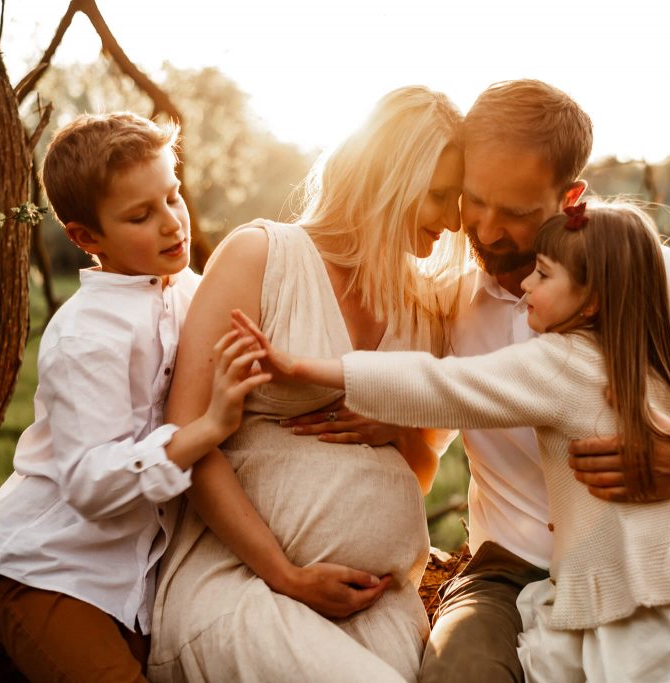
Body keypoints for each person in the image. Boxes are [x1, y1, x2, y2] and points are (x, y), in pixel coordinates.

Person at [291, 79, 670, 682]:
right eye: (474, 202)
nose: (486, 232)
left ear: (571, 197)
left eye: (515, 213)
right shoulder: (448, 299)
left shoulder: (647, 277)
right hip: (506, 571)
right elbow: (428, 394)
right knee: (458, 674)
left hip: (641, 559)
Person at [147, 86, 465, 682]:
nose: (452, 221)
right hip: (245, 583)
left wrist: (397, 431)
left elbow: (420, 473)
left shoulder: (426, 310)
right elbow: (186, 438)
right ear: (389, 177)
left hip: (376, 602)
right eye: (439, 196)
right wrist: (285, 574)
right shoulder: (262, 256)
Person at [0, 112, 271, 682]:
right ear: (87, 238)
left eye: (173, 196)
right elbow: (89, 484)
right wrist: (205, 430)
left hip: (141, 578)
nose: (171, 223)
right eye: (141, 215)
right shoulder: (88, 335)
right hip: (50, 568)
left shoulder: (189, 291)